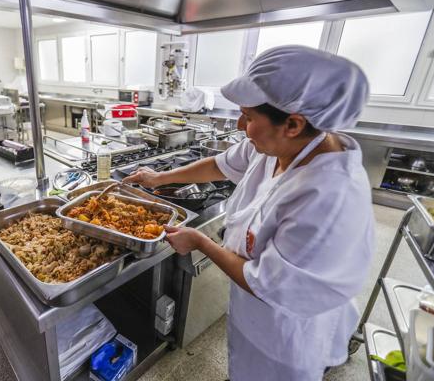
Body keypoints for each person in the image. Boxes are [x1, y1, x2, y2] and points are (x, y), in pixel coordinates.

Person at [123, 45, 374, 380]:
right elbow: (221, 163)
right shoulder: (284, 143)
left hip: (287, 332)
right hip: (256, 313)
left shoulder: (328, 199)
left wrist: (201, 242)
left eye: (249, 117)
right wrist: (159, 177)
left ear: (293, 124)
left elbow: (267, 285)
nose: (241, 124)